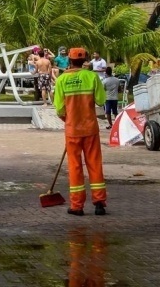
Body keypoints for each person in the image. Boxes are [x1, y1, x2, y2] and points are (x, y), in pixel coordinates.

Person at [53, 48, 107, 216]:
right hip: (90, 129)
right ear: (85, 60)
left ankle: (77, 206)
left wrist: (69, 121)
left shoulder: (61, 80)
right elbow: (100, 101)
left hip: (72, 131)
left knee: (75, 167)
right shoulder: (92, 77)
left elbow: (59, 110)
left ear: (69, 60)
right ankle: (99, 203)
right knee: (94, 164)